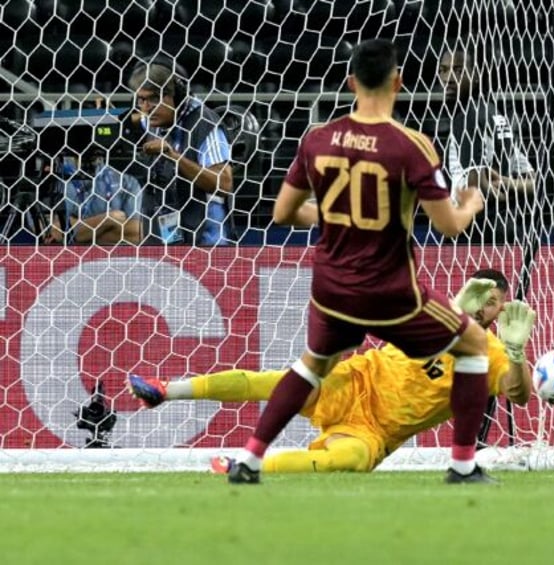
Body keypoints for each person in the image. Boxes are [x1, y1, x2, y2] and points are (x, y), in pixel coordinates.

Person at [228, 38, 492, 485]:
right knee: (475, 347)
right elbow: (449, 226)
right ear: (398, 81)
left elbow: (282, 213)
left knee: (311, 365)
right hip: (392, 294)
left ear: (351, 82)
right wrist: (471, 202)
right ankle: (463, 466)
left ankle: (250, 461)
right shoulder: (413, 146)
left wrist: (333, 217)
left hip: (332, 292)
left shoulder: (318, 139)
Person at [128, 270, 536, 474]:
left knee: (351, 459)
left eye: (495, 301)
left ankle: (246, 468)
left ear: (503, 309)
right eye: (481, 294)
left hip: (376, 430)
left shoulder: (496, 352)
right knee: (275, 381)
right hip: (353, 381)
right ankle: (167, 390)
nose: (486, 305)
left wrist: (517, 352)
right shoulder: (433, 312)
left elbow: (517, 394)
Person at [436, 45, 538, 245]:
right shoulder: (497, 115)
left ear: (475, 75)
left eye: (458, 70)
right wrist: (507, 184)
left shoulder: (467, 118)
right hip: (507, 228)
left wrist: (494, 191)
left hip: (473, 232)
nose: (448, 78)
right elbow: (534, 183)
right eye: (443, 70)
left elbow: (476, 188)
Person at [127, 57, 234, 245]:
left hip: (207, 243)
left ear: (178, 95)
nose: (147, 108)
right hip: (170, 235)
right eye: (141, 99)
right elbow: (137, 118)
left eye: (154, 98)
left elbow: (223, 184)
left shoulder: (205, 124)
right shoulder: (152, 119)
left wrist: (173, 155)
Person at [45, 152, 143, 245]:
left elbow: (137, 233)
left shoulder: (127, 183)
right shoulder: (57, 181)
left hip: (114, 259)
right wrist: (109, 219)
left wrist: (81, 233)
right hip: (68, 258)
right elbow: (52, 232)